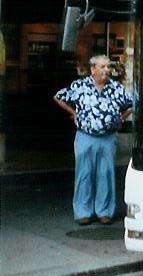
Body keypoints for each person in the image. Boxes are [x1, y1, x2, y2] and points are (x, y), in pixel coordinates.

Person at [53, 54, 133, 225]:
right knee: (84, 173)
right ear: (93, 69)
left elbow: (131, 103)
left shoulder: (115, 88)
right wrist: (73, 113)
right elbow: (59, 97)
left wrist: (121, 119)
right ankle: (83, 212)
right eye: (103, 67)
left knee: (106, 174)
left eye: (108, 67)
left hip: (107, 137)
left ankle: (104, 212)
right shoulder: (80, 86)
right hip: (85, 136)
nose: (107, 70)